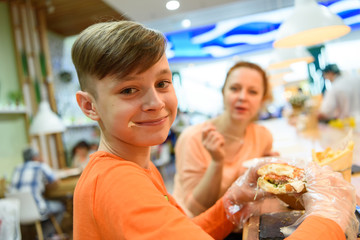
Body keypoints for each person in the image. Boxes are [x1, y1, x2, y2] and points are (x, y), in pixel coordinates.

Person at [71, 20, 358, 240]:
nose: (155, 103)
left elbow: (182, 230)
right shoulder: (119, 183)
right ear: (89, 106)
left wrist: (232, 203)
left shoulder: (136, 167)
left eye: (162, 83)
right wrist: (330, 215)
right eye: (129, 90)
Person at [172, 61, 280, 217]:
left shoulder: (263, 136)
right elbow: (196, 209)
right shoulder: (193, 138)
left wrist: (269, 173)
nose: (242, 97)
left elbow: (253, 191)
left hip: (236, 223)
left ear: (262, 99)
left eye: (253, 92)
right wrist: (217, 162)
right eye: (234, 89)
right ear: (223, 93)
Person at [9, 147, 65, 238]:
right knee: (60, 207)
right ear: (35, 157)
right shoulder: (40, 166)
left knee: (45, 207)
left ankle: (45, 235)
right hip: (36, 209)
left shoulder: (17, 168)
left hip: (18, 212)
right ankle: (45, 236)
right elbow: (56, 181)